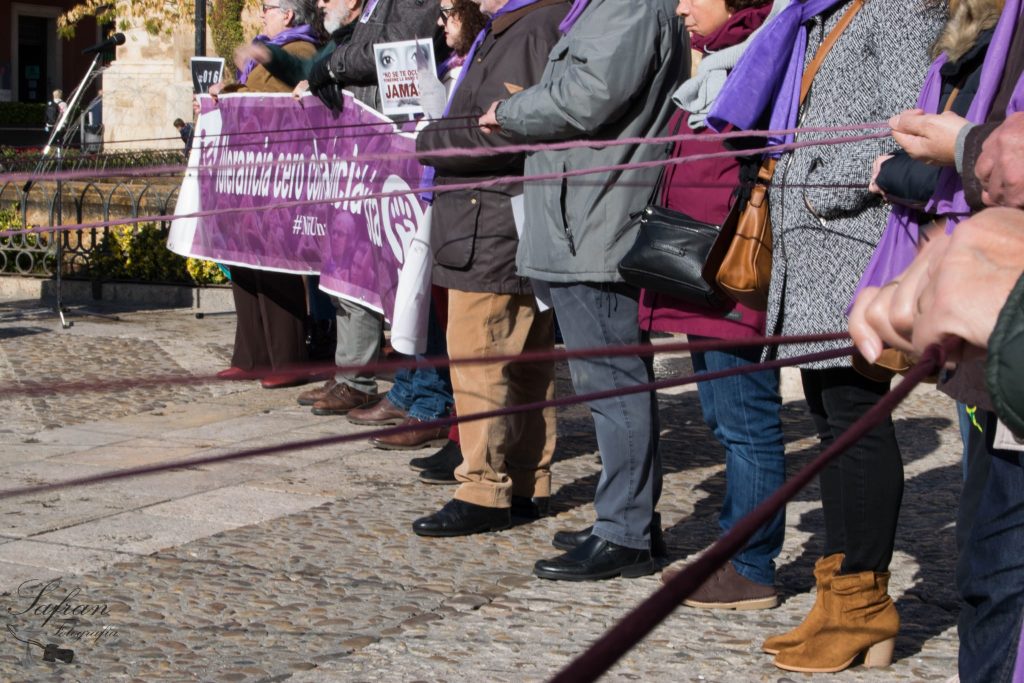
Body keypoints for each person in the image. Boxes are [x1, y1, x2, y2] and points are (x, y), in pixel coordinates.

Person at [706, 0, 944, 672]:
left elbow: (914, 128)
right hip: (815, 256)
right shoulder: (820, 13)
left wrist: (822, 186)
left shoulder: (895, 9)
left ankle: (863, 607)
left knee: (855, 426)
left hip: (854, 249)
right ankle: (839, 601)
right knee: (833, 428)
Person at [478, 0, 687, 579]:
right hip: (583, 218)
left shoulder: (628, 6)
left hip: (597, 221)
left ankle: (625, 532)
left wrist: (509, 110)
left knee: (612, 385)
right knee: (607, 386)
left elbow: (587, 96)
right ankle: (627, 518)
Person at [856, 7, 1024, 674]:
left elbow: (997, 165)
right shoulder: (969, 41)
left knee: (999, 566)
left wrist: (952, 150)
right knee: (986, 546)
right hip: (984, 324)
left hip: (994, 314)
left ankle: (855, 606)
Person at [407, 0, 570, 537]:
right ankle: (525, 481)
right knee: (525, 361)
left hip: (495, 219)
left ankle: (483, 488)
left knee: (483, 358)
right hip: (503, 219)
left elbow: (510, 129)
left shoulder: (531, 28)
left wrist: (430, 139)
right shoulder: (520, 24)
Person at [644, 0, 785, 611]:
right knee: (727, 423)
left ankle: (750, 565)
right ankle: (736, 552)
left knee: (748, 425)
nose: (679, 7)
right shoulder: (718, 58)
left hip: (731, 275)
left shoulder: (761, 53)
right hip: (702, 273)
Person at [344, 0, 487, 460]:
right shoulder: (449, 62)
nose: (440, 24)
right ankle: (411, 388)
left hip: (464, 203)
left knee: (439, 310)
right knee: (415, 302)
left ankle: (433, 404)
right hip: (429, 190)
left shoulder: (483, 57)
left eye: (450, 14)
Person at [292, 0, 444, 417]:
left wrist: (334, 66)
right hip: (364, 154)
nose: (321, 1)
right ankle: (362, 378)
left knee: (405, 274)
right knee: (352, 264)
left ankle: (418, 392)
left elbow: (394, 49)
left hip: (397, 155)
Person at [212, 0, 320, 389]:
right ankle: (252, 355)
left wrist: (232, 91)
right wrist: (223, 93)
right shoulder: (267, 52)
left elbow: (271, 97)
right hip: (248, 171)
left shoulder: (300, 50)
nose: (262, 14)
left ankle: (287, 359)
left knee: (275, 261)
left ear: (288, 14)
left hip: (279, 172)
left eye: (268, 7)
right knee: (243, 260)